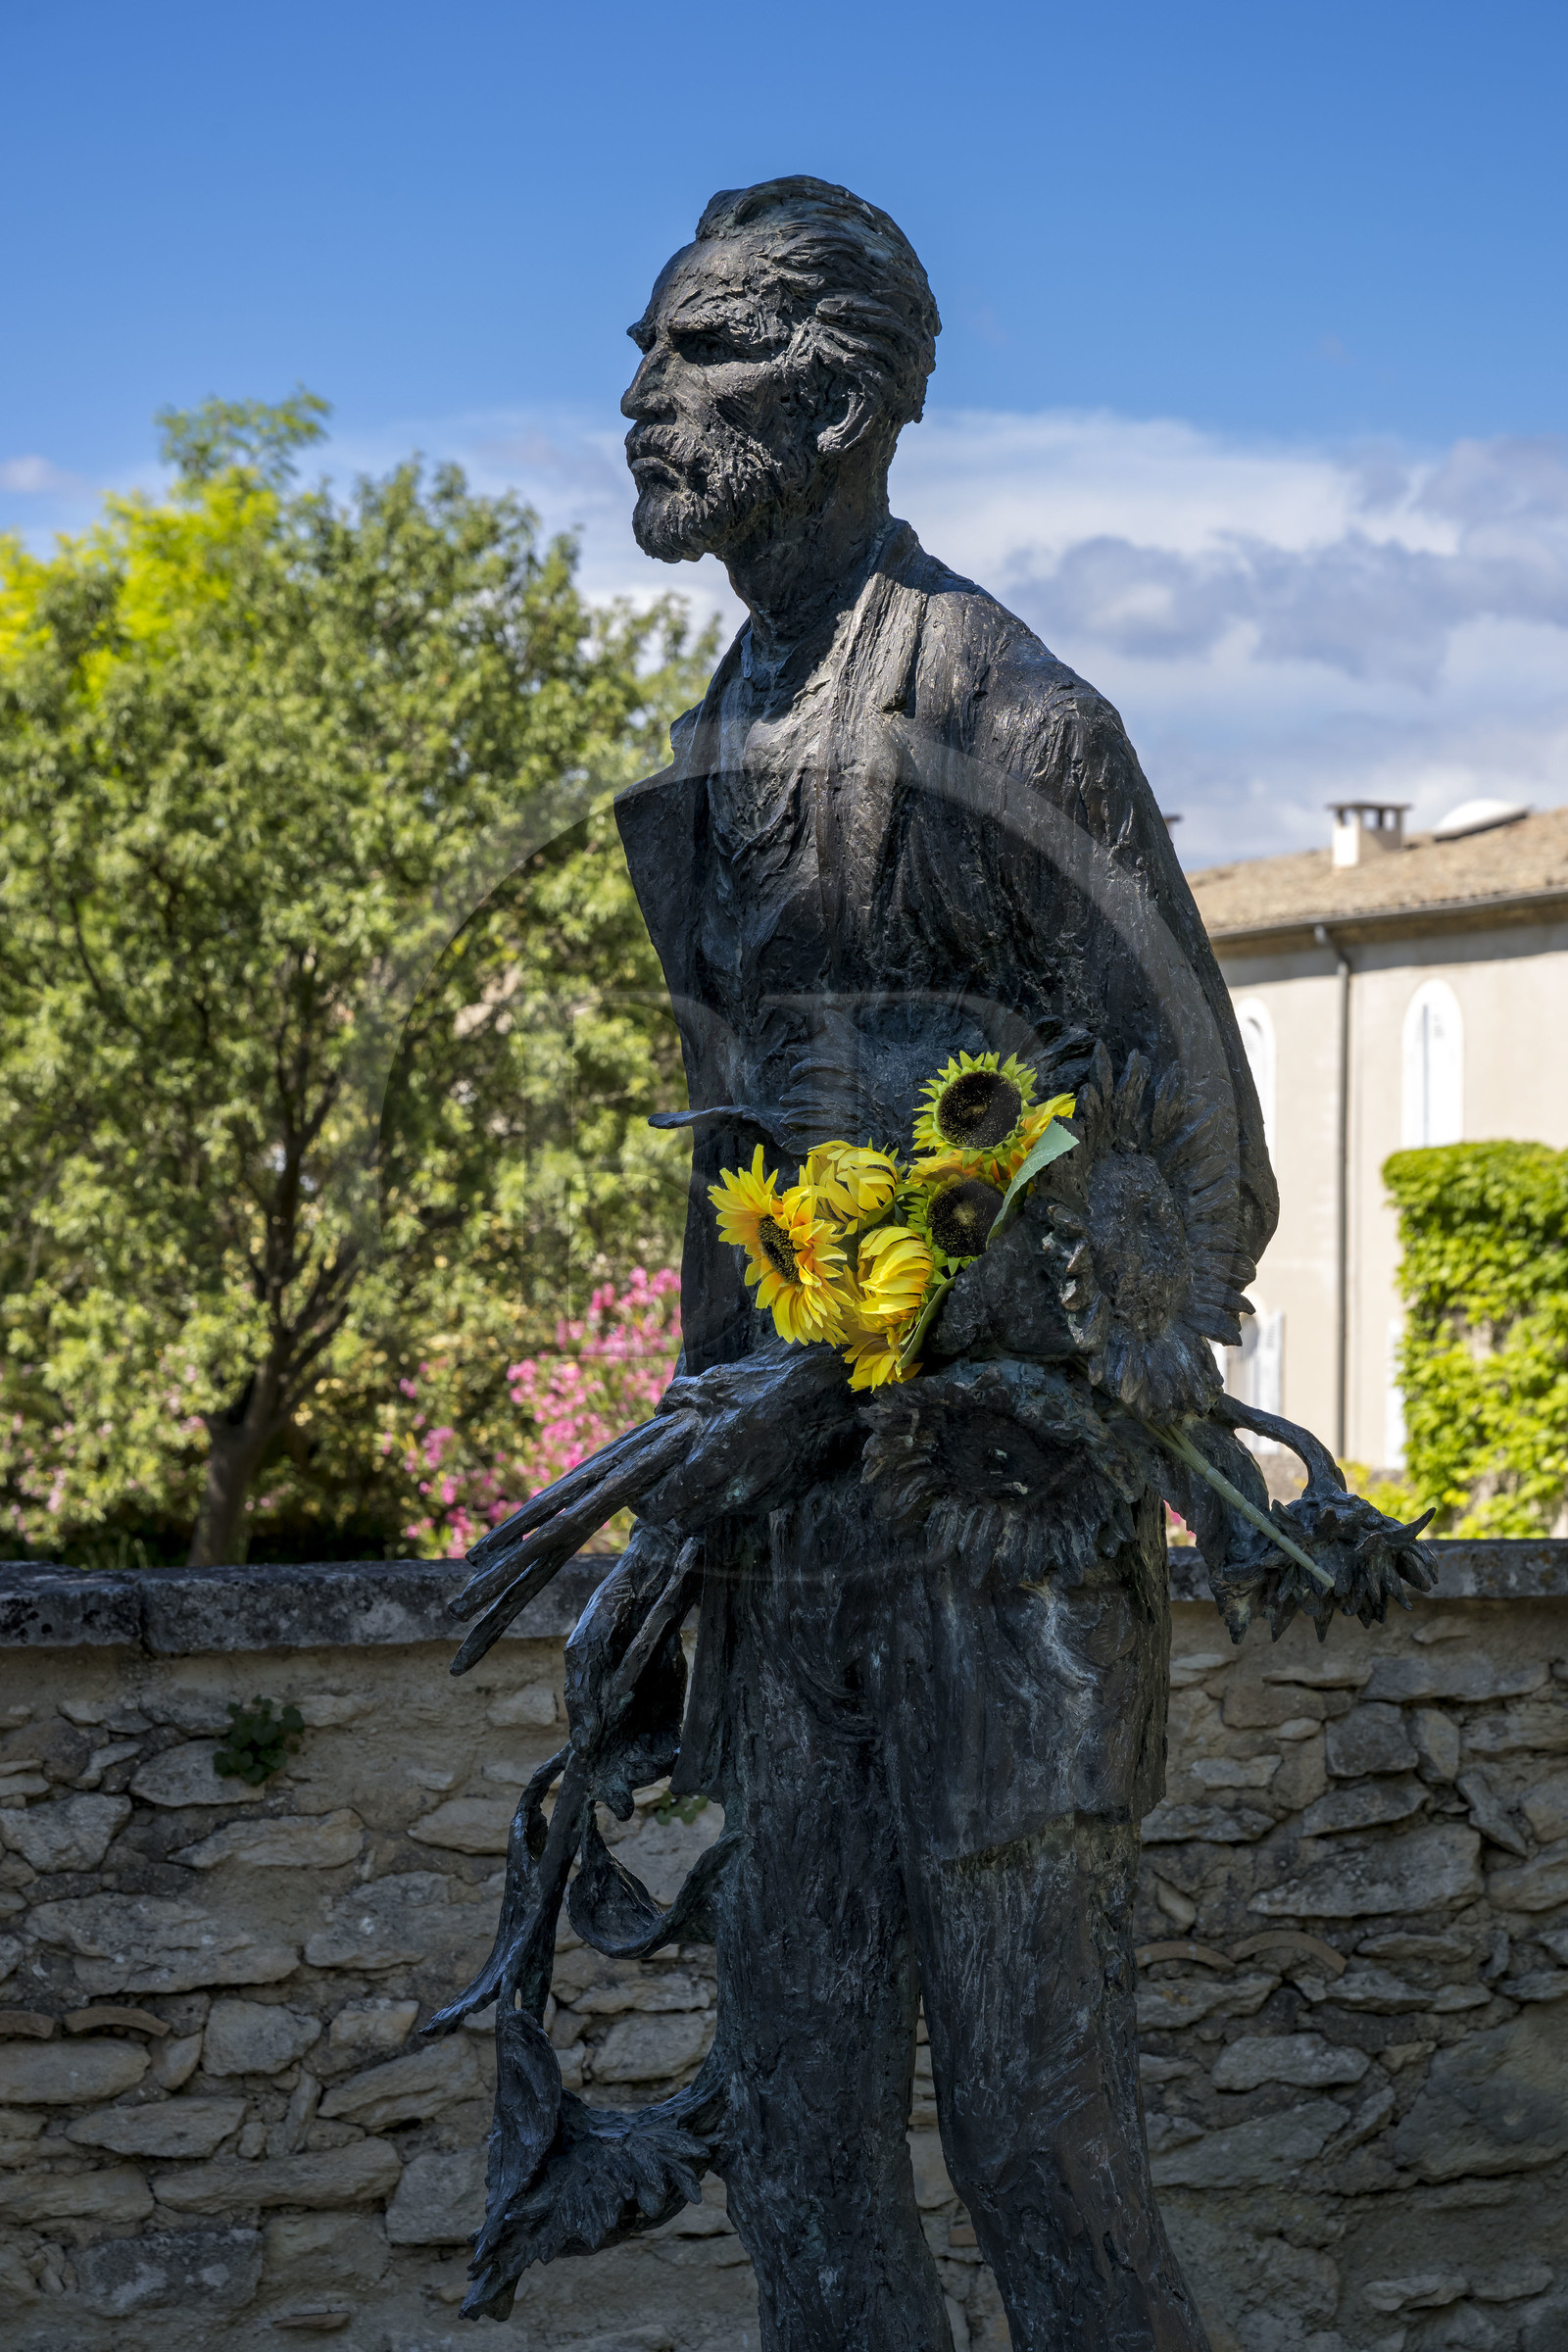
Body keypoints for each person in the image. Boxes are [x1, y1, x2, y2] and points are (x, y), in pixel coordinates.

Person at [437, 177, 1431, 2348]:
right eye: (643, 347)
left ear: (846, 398)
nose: (638, 395)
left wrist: (868, 1363)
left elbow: (1198, 1171)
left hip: (1004, 1582)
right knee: (793, 2157)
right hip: (792, 1587)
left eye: (697, 351)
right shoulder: (720, 726)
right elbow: (743, 1176)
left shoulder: (1005, 719)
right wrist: (696, 1528)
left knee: (1034, 2157)